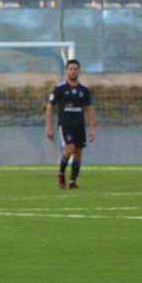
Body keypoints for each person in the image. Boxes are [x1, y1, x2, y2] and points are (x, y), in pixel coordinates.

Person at [46, 59, 95, 189]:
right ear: (67, 71)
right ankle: (61, 172)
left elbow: (89, 109)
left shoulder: (84, 89)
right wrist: (49, 126)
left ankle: (72, 181)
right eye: (71, 69)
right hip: (65, 124)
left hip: (79, 125)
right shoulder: (60, 88)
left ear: (79, 71)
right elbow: (50, 106)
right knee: (70, 149)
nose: (73, 71)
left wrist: (91, 129)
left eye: (75, 69)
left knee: (78, 153)